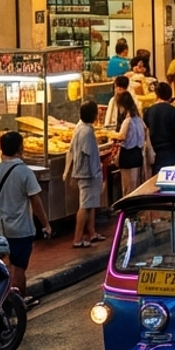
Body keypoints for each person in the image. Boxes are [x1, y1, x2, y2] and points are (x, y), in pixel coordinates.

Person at [0, 132, 51, 293]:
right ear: (20, 148)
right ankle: (19, 300)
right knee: (19, 267)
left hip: (1, 227)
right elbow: (35, 201)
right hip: (21, 229)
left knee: (5, 265)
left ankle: (7, 299)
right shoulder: (25, 172)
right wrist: (46, 224)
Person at [63, 101, 103, 248]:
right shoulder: (86, 131)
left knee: (89, 204)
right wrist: (95, 173)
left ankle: (91, 233)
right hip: (87, 174)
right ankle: (77, 238)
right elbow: (87, 154)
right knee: (85, 206)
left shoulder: (82, 128)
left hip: (86, 173)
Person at [143, 83, 175, 171]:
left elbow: (145, 133)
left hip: (154, 153)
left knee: (156, 181)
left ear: (156, 95)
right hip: (170, 152)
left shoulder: (148, 111)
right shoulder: (174, 111)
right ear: (170, 96)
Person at [115, 92, 148, 194]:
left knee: (128, 189)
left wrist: (110, 134)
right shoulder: (138, 119)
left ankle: (128, 210)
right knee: (136, 186)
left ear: (122, 106)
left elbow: (122, 136)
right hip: (137, 154)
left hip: (127, 156)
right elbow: (146, 130)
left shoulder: (128, 121)